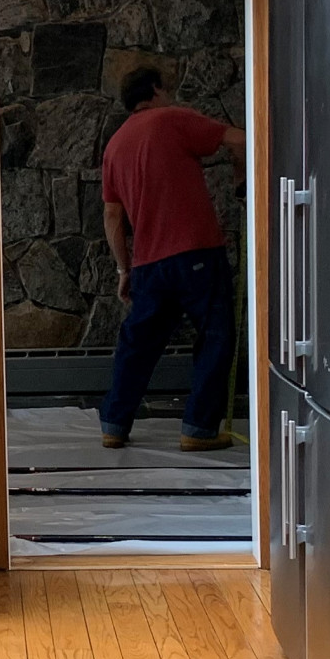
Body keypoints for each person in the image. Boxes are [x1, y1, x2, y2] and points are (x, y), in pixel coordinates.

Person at [95, 64, 245, 452]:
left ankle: (114, 424)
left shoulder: (114, 146)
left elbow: (112, 216)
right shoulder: (173, 119)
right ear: (156, 90)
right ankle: (198, 429)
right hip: (196, 251)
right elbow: (240, 140)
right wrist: (240, 179)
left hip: (147, 265)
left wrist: (123, 268)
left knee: (138, 344)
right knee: (215, 336)